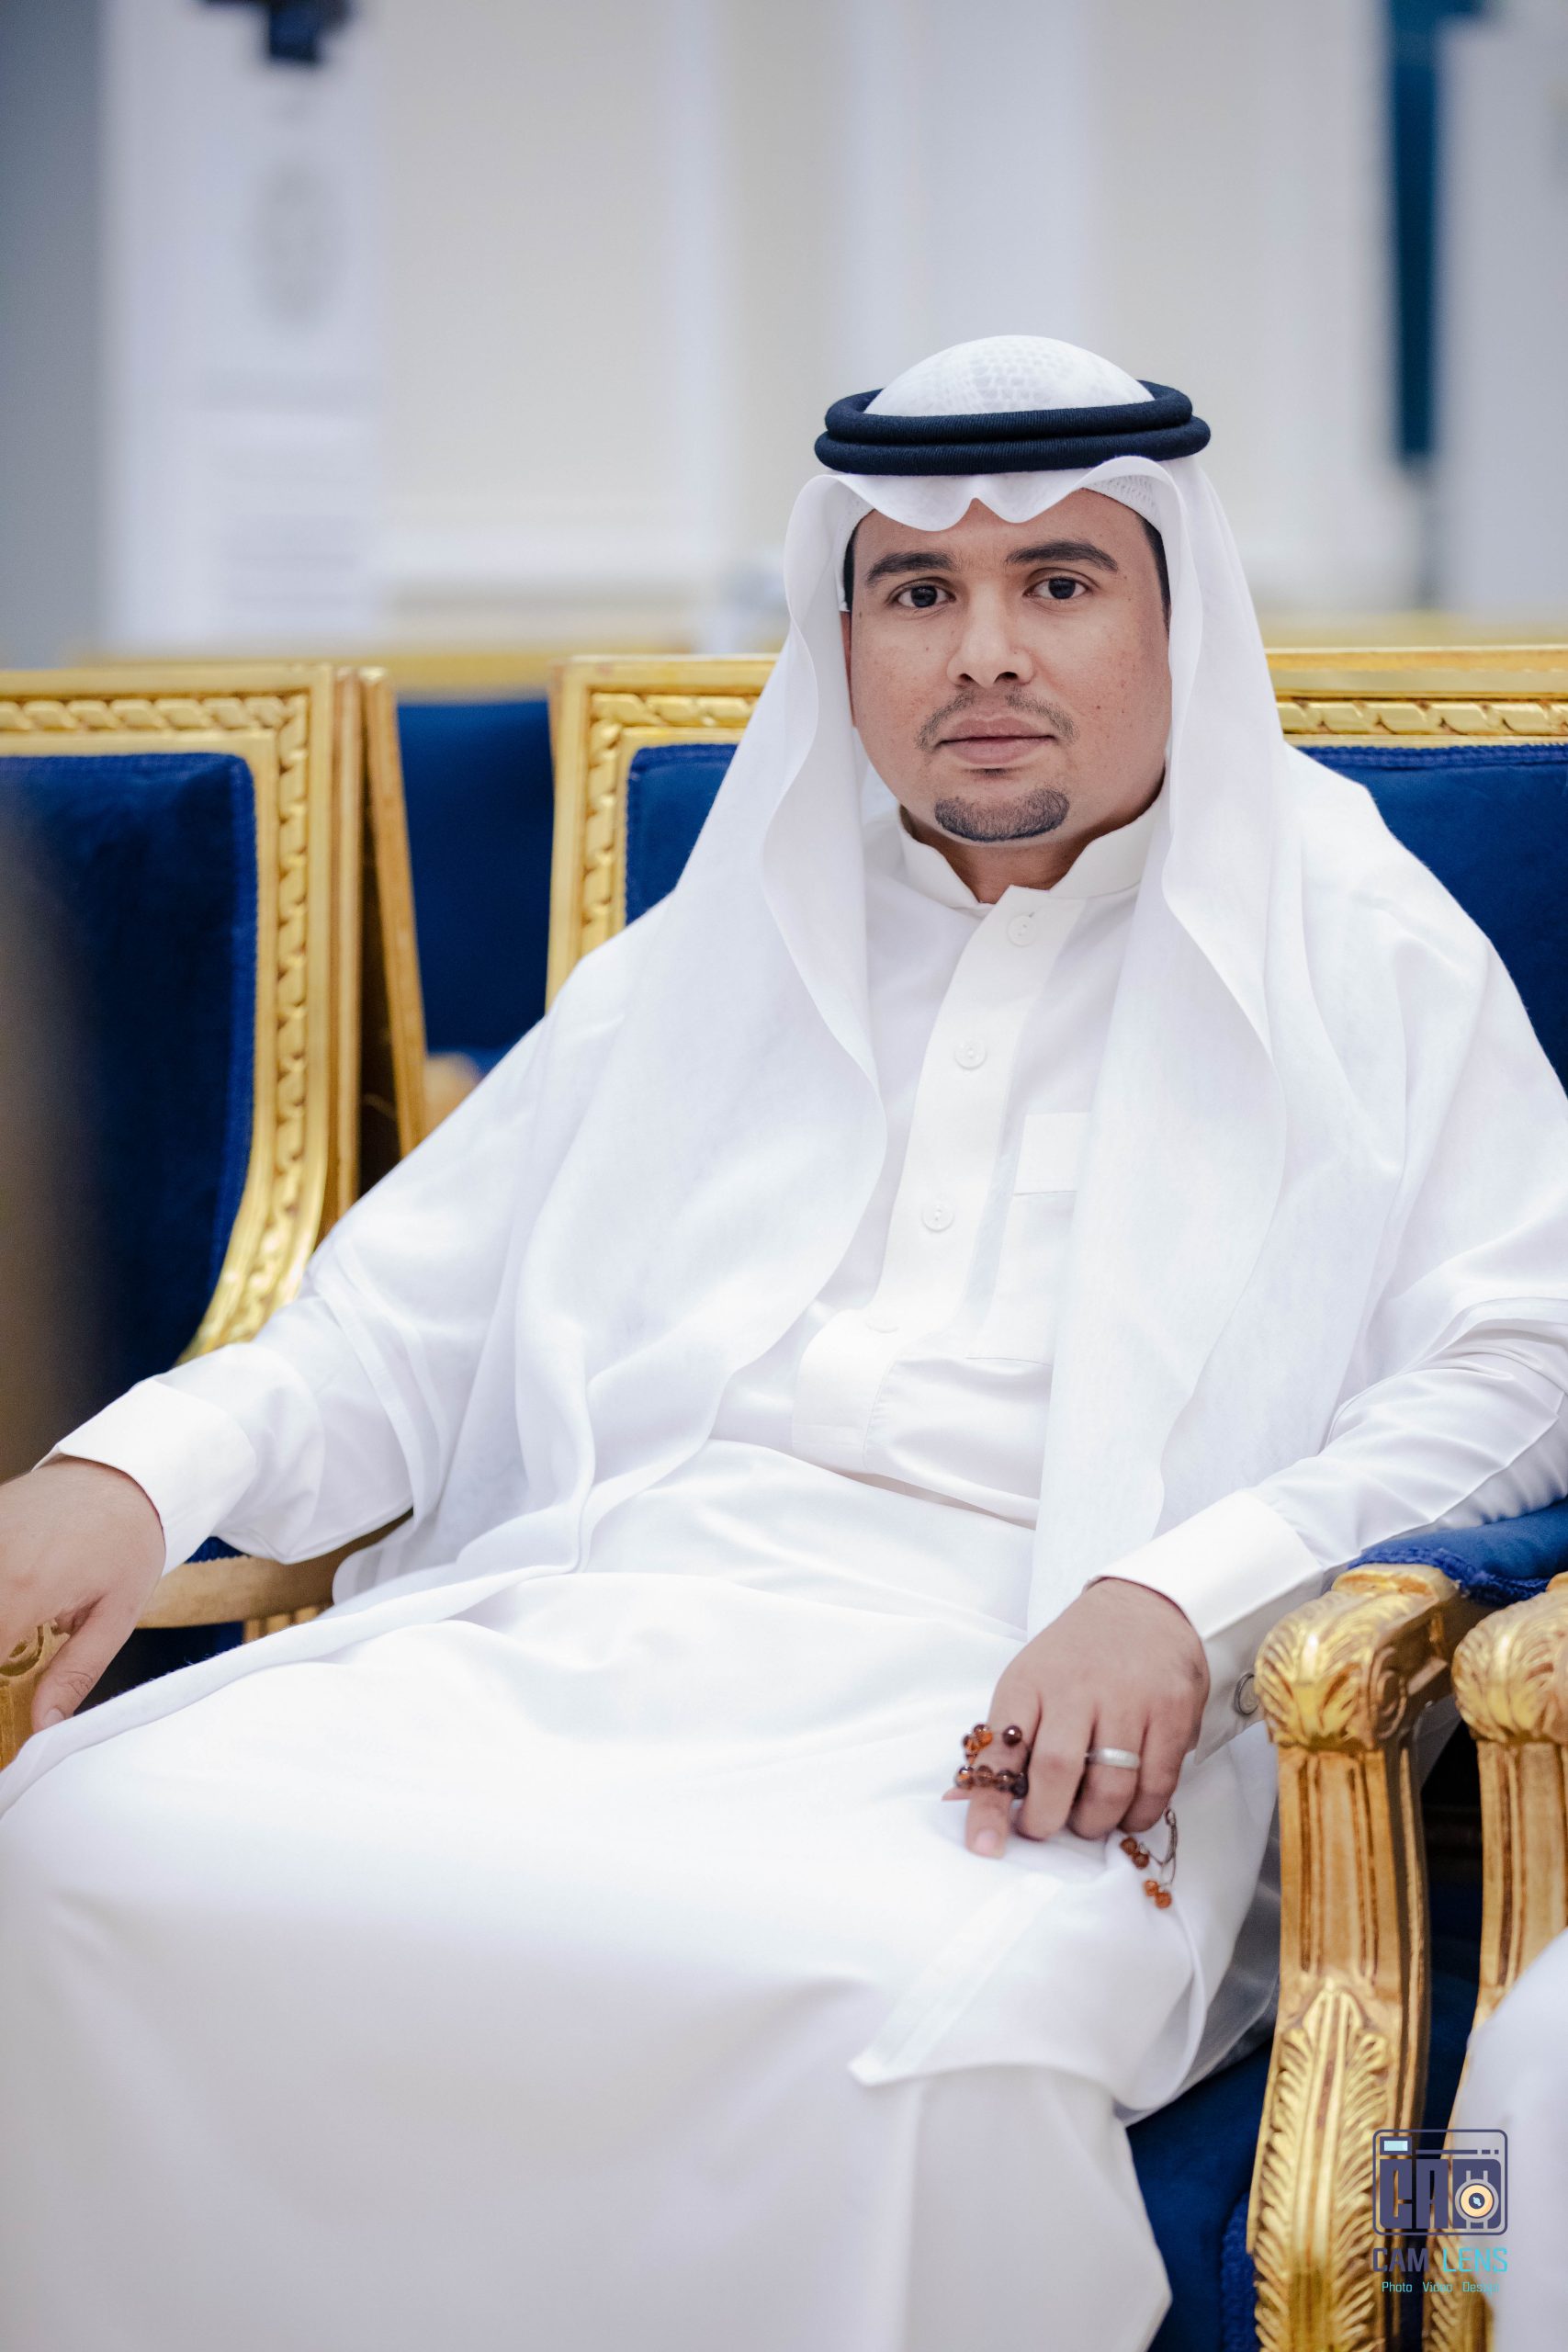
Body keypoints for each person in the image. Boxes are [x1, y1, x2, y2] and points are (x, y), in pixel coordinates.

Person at [3, 334, 1568, 2352]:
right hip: (600, 1620)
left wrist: (1174, 1596)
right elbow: (385, 1334)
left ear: (1176, 615)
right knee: (84, 1857)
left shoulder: (1359, 944)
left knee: (893, 2019)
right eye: (916, 590)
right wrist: (129, 1471)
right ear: (844, 639)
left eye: (1058, 582)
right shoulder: (707, 950)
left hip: (1017, 1703)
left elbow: (1519, 1368)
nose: (982, 650)